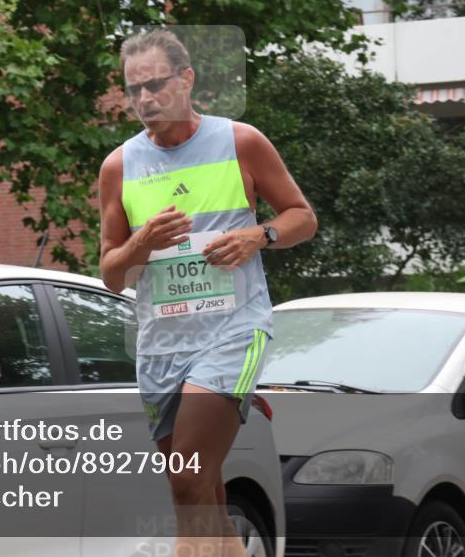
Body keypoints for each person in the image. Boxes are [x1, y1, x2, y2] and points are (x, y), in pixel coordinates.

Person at [98, 28, 317, 557]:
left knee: (187, 481)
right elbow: (111, 272)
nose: (145, 99)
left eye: (155, 84)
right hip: (160, 343)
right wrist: (140, 246)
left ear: (187, 79)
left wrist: (257, 235)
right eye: (134, 90)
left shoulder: (240, 141)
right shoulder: (118, 166)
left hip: (232, 330)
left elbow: (302, 218)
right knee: (207, 497)